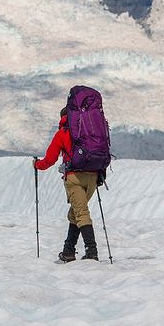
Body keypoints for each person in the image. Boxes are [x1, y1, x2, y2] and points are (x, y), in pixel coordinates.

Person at [34, 106, 100, 262]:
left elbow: (50, 160)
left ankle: (92, 251)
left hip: (74, 178)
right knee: (75, 213)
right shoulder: (90, 131)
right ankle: (68, 251)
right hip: (93, 177)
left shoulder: (63, 133)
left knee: (81, 213)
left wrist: (37, 164)